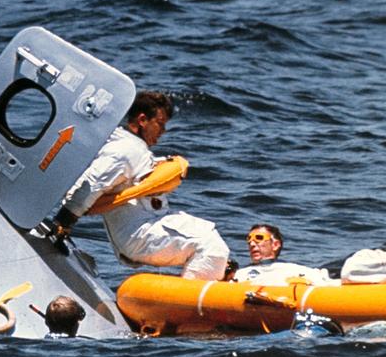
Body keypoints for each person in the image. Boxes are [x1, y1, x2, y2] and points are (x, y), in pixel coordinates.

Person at [52, 91, 230, 280]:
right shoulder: (125, 150)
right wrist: (63, 224)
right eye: (160, 124)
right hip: (139, 234)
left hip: (148, 225)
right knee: (212, 247)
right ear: (143, 119)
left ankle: (195, 288)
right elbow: (92, 184)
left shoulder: (132, 147)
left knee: (210, 243)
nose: (163, 131)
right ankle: (189, 303)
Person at [229, 223, 330, 286]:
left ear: (275, 245)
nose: (252, 243)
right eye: (249, 239)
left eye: (259, 238)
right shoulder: (240, 274)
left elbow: (323, 282)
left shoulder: (292, 270)